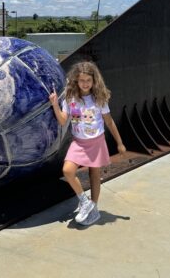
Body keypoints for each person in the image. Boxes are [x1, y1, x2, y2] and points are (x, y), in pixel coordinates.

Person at [49, 61, 126, 226]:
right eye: (81, 80)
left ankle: (94, 210)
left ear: (94, 81)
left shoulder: (99, 99)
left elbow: (109, 121)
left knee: (94, 175)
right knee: (67, 170)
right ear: (76, 80)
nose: (85, 84)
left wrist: (119, 143)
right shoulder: (70, 98)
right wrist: (55, 104)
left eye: (88, 81)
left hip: (96, 142)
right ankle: (84, 201)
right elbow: (63, 121)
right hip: (78, 143)